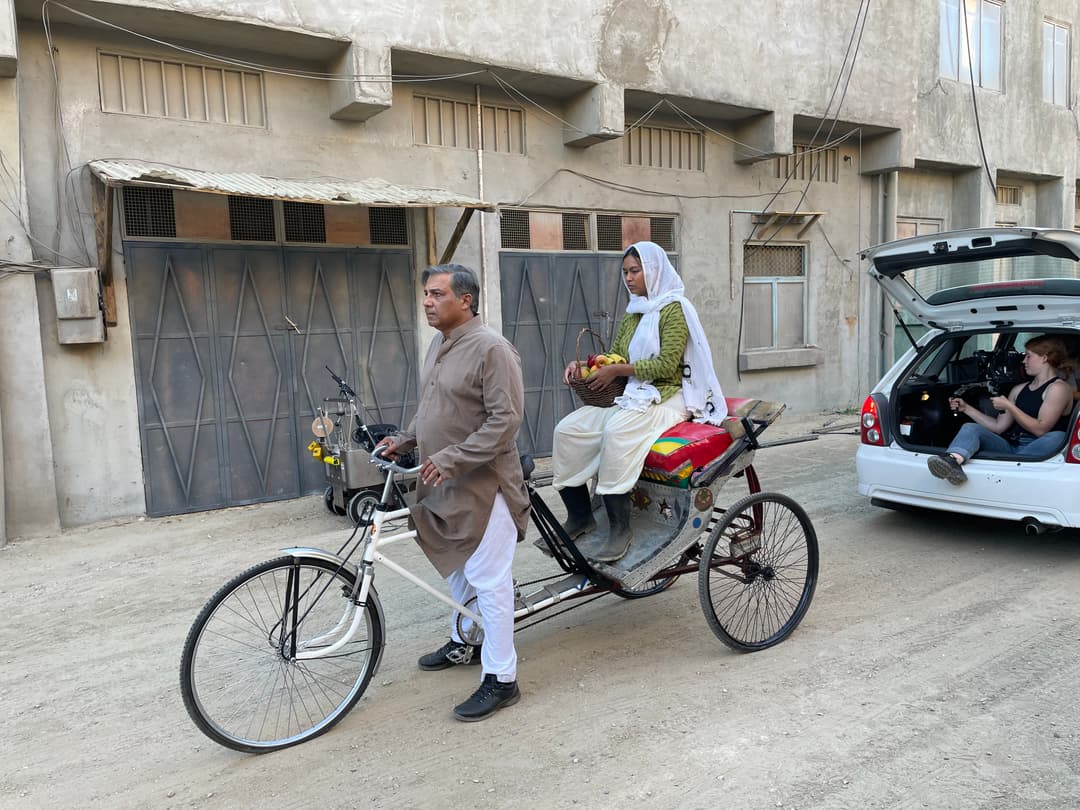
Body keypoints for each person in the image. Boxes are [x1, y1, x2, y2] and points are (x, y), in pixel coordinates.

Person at [377, 264, 530, 722]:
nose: (427, 301)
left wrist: (449, 459)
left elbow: (505, 422)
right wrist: (405, 437)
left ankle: (502, 678)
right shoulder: (440, 346)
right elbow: (433, 406)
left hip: (486, 485)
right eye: (426, 293)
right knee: (458, 571)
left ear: (465, 300)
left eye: (437, 293)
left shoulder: (492, 349)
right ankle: (466, 640)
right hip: (444, 481)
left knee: (489, 579)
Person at [551, 241, 727, 563]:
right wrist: (587, 366)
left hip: (669, 396)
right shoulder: (634, 312)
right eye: (626, 272)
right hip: (634, 394)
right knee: (568, 430)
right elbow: (614, 355)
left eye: (636, 271)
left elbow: (666, 365)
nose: (629, 278)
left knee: (616, 433)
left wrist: (619, 369)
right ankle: (580, 516)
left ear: (654, 270)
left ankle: (620, 528)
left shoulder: (675, 309)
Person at [928, 334, 1076, 485]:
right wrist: (966, 408)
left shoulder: (1058, 388)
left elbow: (1041, 430)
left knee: (1057, 436)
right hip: (1012, 447)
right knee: (970, 428)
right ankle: (953, 462)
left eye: (1028, 356)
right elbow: (998, 428)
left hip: (1040, 449)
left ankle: (1011, 470)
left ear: (1044, 358)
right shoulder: (1018, 389)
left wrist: (1010, 407)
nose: (1023, 361)